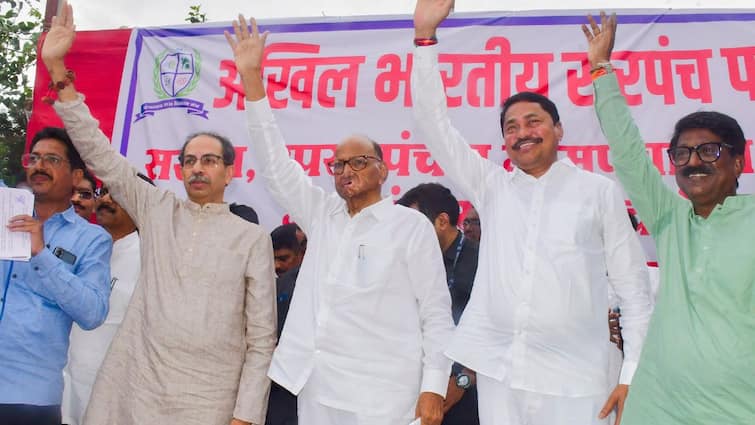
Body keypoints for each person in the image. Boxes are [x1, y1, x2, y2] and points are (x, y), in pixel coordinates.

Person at [411, 2, 652, 424]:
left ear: (558, 129)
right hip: (502, 374)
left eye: (533, 121)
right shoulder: (494, 188)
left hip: (580, 382)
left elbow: (633, 291)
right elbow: (433, 126)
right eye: (511, 126)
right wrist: (425, 37)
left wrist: (631, 374)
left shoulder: (598, 193)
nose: (522, 132)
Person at [42, 4, 277, 425]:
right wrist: (58, 68)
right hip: (140, 386)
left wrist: (246, 413)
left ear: (229, 171)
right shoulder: (157, 209)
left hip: (210, 397)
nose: (197, 168)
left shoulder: (251, 238)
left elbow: (261, 339)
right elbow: (99, 152)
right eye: (189, 161)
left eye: (208, 160)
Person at [226, 15, 454, 425]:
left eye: (359, 161)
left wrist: (434, 387)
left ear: (383, 171)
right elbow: (275, 164)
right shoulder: (323, 215)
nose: (346, 169)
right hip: (318, 387)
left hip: (384, 395)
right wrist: (252, 79)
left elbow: (436, 314)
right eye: (337, 164)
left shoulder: (410, 227)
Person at [584, 12, 755, 425]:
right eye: (682, 154)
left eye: (709, 151)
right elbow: (627, 153)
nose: (693, 162)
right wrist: (601, 70)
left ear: (738, 161)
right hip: (659, 405)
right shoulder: (670, 220)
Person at [0, 126, 112, 425]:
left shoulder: (92, 239)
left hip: (28, 397)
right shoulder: (4, 215)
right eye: (34, 158)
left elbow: (93, 313)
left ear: (77, 176)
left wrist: (42, 254)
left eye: (52, 159)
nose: (39, 166)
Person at [62, 173, 154, 425]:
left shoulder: (150, 259)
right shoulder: (83, 246)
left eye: (119, 195)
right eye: (104, 192)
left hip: (110, 395)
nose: (106, 199)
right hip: (61, 382)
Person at [397, 183, 480, 425]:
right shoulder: (404, 261)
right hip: (415, 390)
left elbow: (495, 330)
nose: (406, 233)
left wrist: (463, 381)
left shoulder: (482, 261)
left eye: (413, 224)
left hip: (466, 397)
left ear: (442, 221)